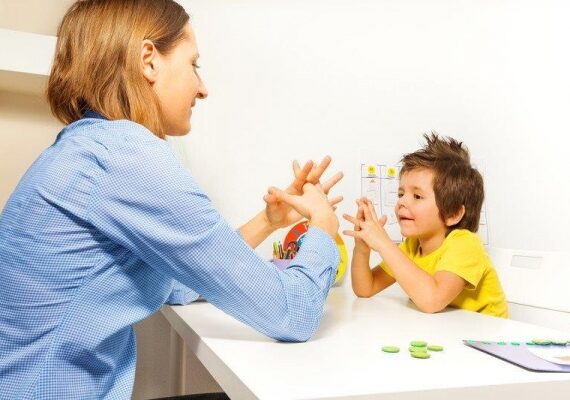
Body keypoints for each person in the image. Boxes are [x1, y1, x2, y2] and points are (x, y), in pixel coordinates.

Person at [0, 1, 344, 399]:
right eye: (194, 64)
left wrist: (267, 221)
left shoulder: (87, 149)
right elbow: (292, 312)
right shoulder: (127, 156)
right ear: (148, 60)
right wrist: (323, 228)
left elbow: (175, 285)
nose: (202, 88)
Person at [343, 133, 508, 318]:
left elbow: (432, 300)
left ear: (453, 214)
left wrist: (384, 244)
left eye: (417, 196)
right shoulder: (412, 247)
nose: (401, 202)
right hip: (446, 334)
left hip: (487, 340)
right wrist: (362, 249)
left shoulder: (466, 244)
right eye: (400, 194)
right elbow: (366, 288)